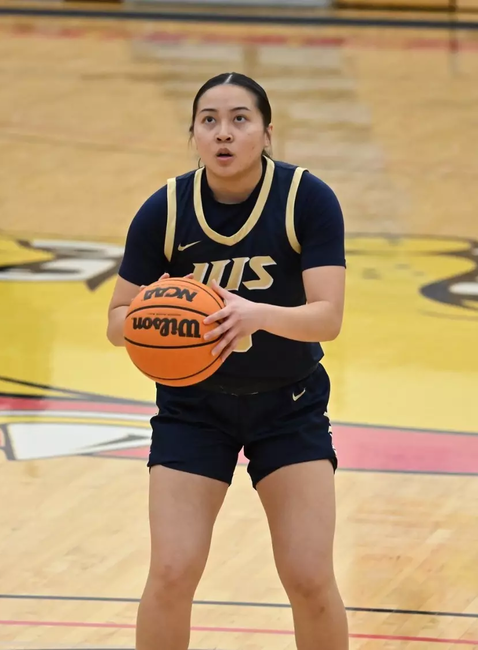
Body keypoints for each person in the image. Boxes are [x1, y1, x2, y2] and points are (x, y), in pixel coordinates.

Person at [105, 72, 349, 650]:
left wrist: (256, 314)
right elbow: (116, 324)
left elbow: (328, 318)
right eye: (209, 120)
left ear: (267, 133)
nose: (224, 133)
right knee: (170, 573)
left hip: (288, 405)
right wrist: (155, 312)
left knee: (310, 577)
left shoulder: (305, 198)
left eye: (240, 119)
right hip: (193, 409)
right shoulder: (164, 209)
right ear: (192, 134)